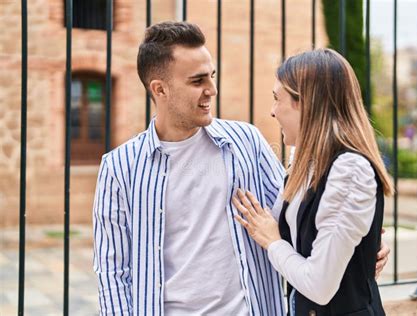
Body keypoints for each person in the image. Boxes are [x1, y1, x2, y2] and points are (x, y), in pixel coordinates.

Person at [92, 22, 389, 315]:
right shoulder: (120, 168)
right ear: (160, 89)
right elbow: (112, 271)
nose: (212, 90)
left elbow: (292, 217)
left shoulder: (246, 141)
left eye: (212, 76)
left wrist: (358, 248)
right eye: (198, 81)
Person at [233, 48, 394, 315]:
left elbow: (319, 285)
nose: (272, 112)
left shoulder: (349, 169)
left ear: (305, 102)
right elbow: (306, 237)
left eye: (277, 99)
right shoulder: (305, 160)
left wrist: (273, 242)